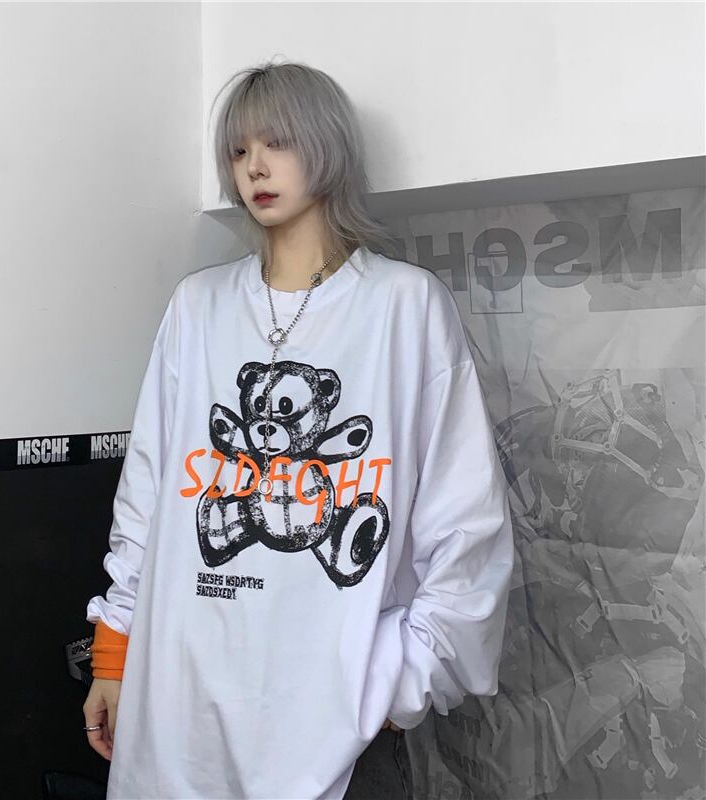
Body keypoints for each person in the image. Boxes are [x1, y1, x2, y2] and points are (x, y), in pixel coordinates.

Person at [82, 60, 514, 800]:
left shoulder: (403, 307)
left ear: (327, 145)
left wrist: (405, 681)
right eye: (238, 150)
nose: (254, 166)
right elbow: (148, 493)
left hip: (336, 726)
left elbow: (465, 516)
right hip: (183, 705)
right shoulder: (198, 307)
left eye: (277, 141)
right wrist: (113, 655)